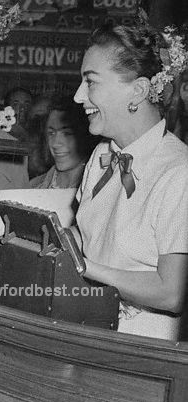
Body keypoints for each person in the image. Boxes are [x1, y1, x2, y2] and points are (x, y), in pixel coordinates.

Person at [73, 23, 188, 340]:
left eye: (90, 82)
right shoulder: (101, 156)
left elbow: (171, 293)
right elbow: (93, 236)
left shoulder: (180, 173)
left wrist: (85, 267)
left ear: (137, 90)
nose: (78, 96)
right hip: (86, 331)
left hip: (139, 352)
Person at [31, 98, 95, 189]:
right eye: (51, 133)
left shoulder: (98, 188)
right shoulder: (34, 186)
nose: (55, 144)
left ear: (86, 136)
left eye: (67, 133)